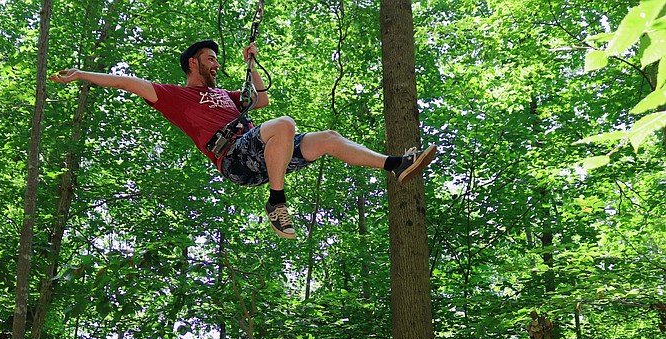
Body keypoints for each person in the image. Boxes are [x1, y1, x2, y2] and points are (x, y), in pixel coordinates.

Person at [49, 40, 437, 239]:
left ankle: (396, 165)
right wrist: (82, 74)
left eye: (217, 60)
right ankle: (277, 202)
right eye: (209, 58)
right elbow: (124, 81)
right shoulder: (174, 96)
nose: (216, 64)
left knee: (327, 139)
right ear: (193, 63)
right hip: (233, 157)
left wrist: (252, 65)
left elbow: (261, 99)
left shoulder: (226, 96)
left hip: (261, 152)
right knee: (283, 124)